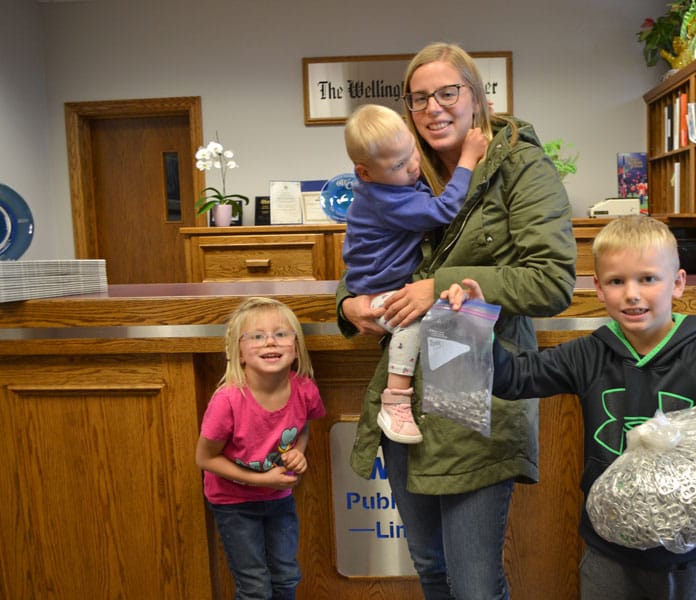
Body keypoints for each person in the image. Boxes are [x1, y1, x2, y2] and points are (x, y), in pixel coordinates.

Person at [336, 42, 576, 600]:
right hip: (405, 399)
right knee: (429, 568)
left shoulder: (520, 167)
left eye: (447, 92)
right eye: (419, 98)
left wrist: (439, 286)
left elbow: (551, 280)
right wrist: (347, 304)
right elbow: (369, 254)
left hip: (475, 385)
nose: (433, 108)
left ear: (476, 97)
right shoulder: (402, 166)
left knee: (472, 585)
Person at [444, 214, 696, 600]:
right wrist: (476, 326)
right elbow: (515, 379)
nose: (632, 294)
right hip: (608, 551)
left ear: (677, 283)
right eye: (617, 281)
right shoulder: (589, 354)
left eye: (648, 279)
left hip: (687, 557)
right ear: (599, 289)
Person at [342, 103, 488, 445]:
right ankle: (395, 401)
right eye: (398, 165)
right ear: (365, 173)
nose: (412, 166)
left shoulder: (387, 183)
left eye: (411, 151)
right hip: (380, 292)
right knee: (413, 323)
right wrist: (467, 159)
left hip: (380, 283)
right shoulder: (384, 198)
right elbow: (445, 209)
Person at [196, 296, 326, 600]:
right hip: (234, 503)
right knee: (254, 586)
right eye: (256, 336)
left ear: (296, 348)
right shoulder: (227, 401)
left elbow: (303, 426)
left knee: (286, 577)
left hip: (279, 500)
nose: (270, 342)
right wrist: (260, 480)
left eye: (280, 334)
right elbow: (205, 458)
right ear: (239, 353)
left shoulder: (305, 390)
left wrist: (298, 451)